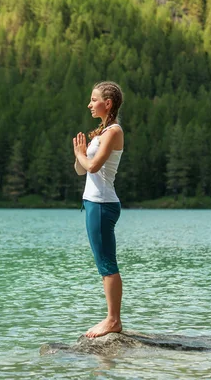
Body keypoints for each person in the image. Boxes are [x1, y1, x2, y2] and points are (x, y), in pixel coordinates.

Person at [73, 81, 124, 338]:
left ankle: (113, 320)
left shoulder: (114, 132)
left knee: (106, 263)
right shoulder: (102, 133)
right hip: (93, 203)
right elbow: (81, 168)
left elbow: (91, 167)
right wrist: (80, 155)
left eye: (94, 100)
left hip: (103, 205)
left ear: (108, 103)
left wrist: (84, 155)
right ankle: (111, 317)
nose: (90, 104)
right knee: (101, 263)